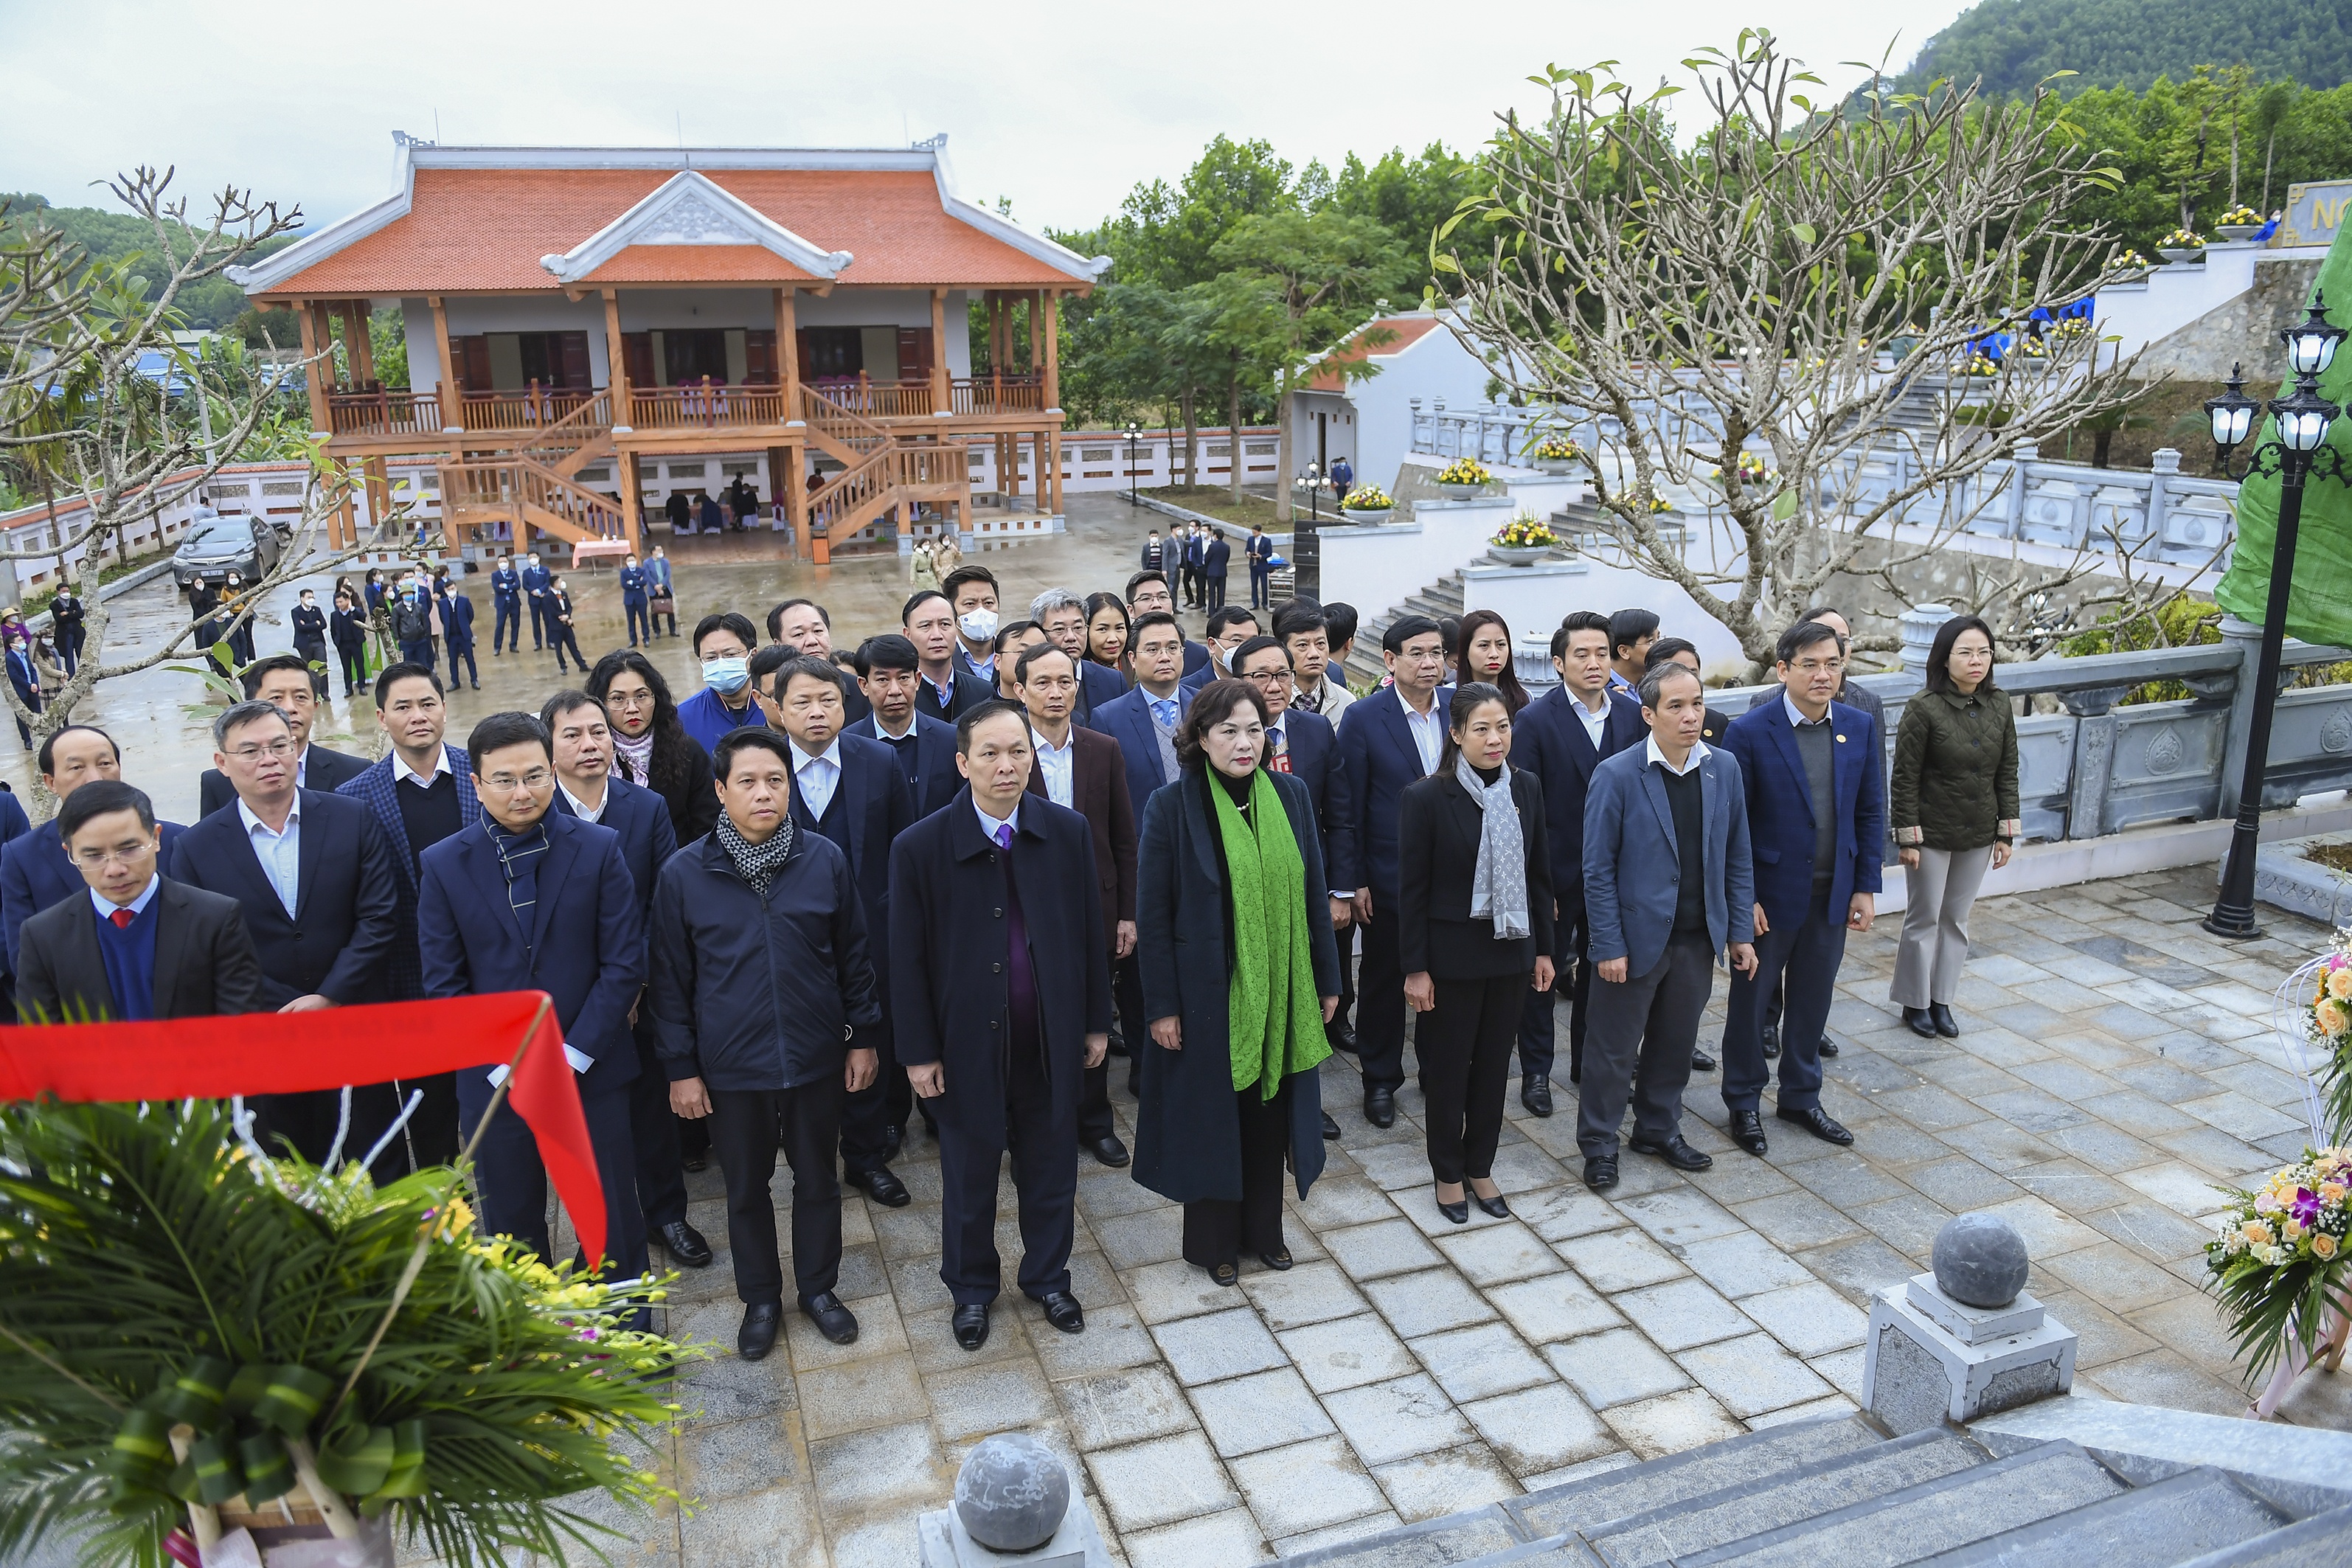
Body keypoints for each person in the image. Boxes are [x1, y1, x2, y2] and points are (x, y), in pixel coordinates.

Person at [651, 726, 881, 1356]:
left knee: (818, 1181)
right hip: (731, 1067)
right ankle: (758, 1298)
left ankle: (817, 1289)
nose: (763, 794)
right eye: (747, 782)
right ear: (721, 790)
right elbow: (669, 981)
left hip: (813, 1056)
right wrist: (681, 1068)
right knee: (746, 1190)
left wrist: (861, 1039)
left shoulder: (822, 859)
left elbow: (853, 958)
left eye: (775, 781)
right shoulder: (683, 874)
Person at [889, 702, 1111, 1350]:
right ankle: (970, 1289)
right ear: (962, 763)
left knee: (1050, 1168)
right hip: (964, 1045)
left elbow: (1088, 938)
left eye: (1017, 751)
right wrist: (918, 1052)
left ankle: (1048, 1277)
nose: (1005, 765)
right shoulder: (920, 847)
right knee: (968, 1176)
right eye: (989, 753)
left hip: (1049, 1037)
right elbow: (905, 959)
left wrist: (1096, 1022)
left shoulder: (1065, 832)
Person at [417, 711, 650, 1293]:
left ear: (552, 771)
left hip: (588, 1068)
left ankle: (631, 1326)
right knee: (510, 1217)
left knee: (609, 1210)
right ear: (476, 783)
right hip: (494, 1080)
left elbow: (623, 964)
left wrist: (568, 1059)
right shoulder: (444, 864)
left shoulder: (598, 848)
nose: (521, 793)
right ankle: (533, 1340)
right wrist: (507, 1066)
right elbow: (444, 985)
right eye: (504, 780)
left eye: (533, 776)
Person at [1134, 679, 1339, 1285]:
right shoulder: (1172, 806)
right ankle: (1214, 1244)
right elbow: (1153, 915)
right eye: (1228, 731)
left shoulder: (1291, 795)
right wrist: (1162, 1007)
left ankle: (1264, 1232)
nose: (1243, 743)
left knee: (1269, 1112)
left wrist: (1326, 980)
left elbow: (1310, 894)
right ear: (1200, 737)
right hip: (1206, 996)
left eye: (1254, 729)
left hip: (1283, 985)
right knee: (1214, 1117)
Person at [169, 699, 403, 1168]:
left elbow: (380, 917)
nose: (270, 759)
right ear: (222, 763)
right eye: (251, 751)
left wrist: (330, 995)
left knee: (377, 1165)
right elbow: (200, 948)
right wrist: (280, 1007)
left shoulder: (352, 818)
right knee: (287, 1173)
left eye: (280, 745)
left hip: (355, 1023)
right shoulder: (194, 848)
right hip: (263, 1037)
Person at [539, 689, 705, 1272]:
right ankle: (601, 1228)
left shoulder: (644, 806)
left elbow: (662, 899)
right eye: (573, 735)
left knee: (649, 1108)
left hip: (640, 991)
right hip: (571, 1000)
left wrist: (632, 983)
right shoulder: (539, 814)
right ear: (549, 748)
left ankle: (667, 1213)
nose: (589, 745)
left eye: (597, 732)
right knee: (585, 1121)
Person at [1578, 661, 1757, 1193]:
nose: (1689, 715)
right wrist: (1608, 943)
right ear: (1648, 713)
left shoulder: (1722, 767)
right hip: (1631, 944)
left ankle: (1657, 1129)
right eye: (1675, 706)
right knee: (1612, 1052)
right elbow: (1596, 868)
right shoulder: (1616, 774)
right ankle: (1599, 1144)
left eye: (1696, 703)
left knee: (1675, 1044)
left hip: (1696, 938)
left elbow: (1737, 854)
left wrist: (1739, 931)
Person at [1718, 619, 1883, 1157]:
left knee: (1812, 1001)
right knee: (1751, 1002)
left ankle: (1800, 1096)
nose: (1822, 674)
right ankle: (1742, 1100)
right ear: (1782, 669)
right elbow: (1733, 824)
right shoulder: (1750, 731)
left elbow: (1867, 810)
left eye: (1832, 664)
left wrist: (1864, 886)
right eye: (1809, 664)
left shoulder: (1857, 726)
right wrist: (1744, 899)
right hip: (1769, 896)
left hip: (1831, 893)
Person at [760, 653, 917, 1204]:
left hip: (869, 934)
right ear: (778, 710)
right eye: (801, 702)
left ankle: (866, 1157)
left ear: (846, 700)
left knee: (867, 1042)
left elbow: (903, 849)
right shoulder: (761, 767)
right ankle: (809, 1162)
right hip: (789, 941)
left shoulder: (876, 760)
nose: (817, 712)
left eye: (828, 700)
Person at [1398, 682, 1555, 1221]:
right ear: (1457, 733)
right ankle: (1446, 1171)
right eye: (1482, 729)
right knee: (1447, 1069)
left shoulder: (1525, 788)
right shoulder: (1424, 797)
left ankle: (1480, 1165)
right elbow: (1411, 892)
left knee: (1493, 1067)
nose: (1495, 739)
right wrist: (1414, 969)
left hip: (1510, 953)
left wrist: (1543, 952)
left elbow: (1539, 876)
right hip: (1449, 959)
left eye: (1503, 727)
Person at [336, 665, 480, 1165]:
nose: (417, 716)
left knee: (497, 1113)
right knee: (432, 1117)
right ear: (381, 717)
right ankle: (445, 1223)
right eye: (402, 707)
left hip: (488, 975)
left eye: (427, 704)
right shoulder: (352, 800)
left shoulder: (484, 777)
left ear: (444, 708)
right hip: (408, 982)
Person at [1512, 613, 1643, 1105]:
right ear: (1558, 662)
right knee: (1541, 976)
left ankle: (1591, 1062)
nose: (1593, 664)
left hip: (1615, 874)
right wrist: (1533, 885)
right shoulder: (1534, 721)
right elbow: (1522, 810)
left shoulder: (1632, 716)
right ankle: (1536, 1073)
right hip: (1555, 874)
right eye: (1581, 654)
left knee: (1603, 972)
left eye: (1601, 654)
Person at [1016, 641, 1138, 1168]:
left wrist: (1127, 912)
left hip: (1095, 906)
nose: (1055, 692)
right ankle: (1033, 1128)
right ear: (1018, 690)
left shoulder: (1100, 748)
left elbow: (1123, 838)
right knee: (1029, 1017)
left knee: (1092, 1013)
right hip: (1025, 910)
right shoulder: (1007, 751)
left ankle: (1094, 1120)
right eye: (1041, 683)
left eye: (1064, 681)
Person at [1331, 616, 1451, 1129]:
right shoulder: (1363, 718)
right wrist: (1353, 879)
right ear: (1389, 660)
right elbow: (1346, 806)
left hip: (1453, 875)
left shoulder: (1461, 710)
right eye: (1418, 654)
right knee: (1383, 981)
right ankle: (1379, 1079)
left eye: (1437, 653)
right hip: (1386, 876)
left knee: (1444, 978)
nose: (1430, 664)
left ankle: (1436, 1069)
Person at [16, 780, 262, 1024]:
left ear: (156, 838)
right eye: (94, 856)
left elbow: (239, 1029)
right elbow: (39, 1046)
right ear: (70, 853)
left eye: (129, 849)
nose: (114, 869)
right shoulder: (43, 937)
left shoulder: (215, 919)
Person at [1890, 613, 2016, 1041]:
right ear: (1945, 659)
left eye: (1983, 652)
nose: (1975, 660)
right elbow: (1904, 776)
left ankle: (1942, 1000)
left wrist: (2005, 831)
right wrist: (1907, 835)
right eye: (1965, 652)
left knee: (1956, 920)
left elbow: (2007, 770)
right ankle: (1915, 1002)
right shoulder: (1924, 708)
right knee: (1924, 917)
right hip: (1930, 835)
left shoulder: (1999, 704)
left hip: (1979, 830)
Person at [2, 727, 184, 982]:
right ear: (50, 782)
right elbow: (25, 961)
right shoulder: (21, 857)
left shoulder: (177, 840)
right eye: (77, 768)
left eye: (105, 764)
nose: (95, 777)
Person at [196, 654, 369, 816]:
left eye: (301, 697)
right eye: (276, 698)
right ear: (252, 705)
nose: (289, 708)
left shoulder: (355, 773)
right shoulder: (218, 783)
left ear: (315, 707)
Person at [587, 650, 721, 846]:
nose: (632, 708)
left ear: (655, 698)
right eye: (618, 699)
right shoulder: (590, 756)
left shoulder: (686, 752)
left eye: (641, 696)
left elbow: (707, 826)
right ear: (600, 703)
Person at [853, 635, 962, 819]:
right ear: (864, 685)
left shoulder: (951, 740)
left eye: (904, 678)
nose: (895, 690)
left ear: (917, 680)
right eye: (882, 680)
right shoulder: (849, 745)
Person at [769, 598, 873, 724]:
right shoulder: (770, 696)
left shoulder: (862, 692)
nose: (812, 641)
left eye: (818, 631)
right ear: (778, 644)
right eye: (799, 634)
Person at [903, 591, 993, 721]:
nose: (937, 635)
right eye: (925, 626)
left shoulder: (983, 692)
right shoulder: (898, 696)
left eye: (945, 624)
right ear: (908, 635)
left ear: (956, 629)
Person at [678, 613, 761, 753]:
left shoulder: (776, 706)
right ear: (701, 662)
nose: (721, 663)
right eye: (711, 657)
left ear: (752, 656)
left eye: (730, 655)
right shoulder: (683, 717)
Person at [1644, 638, 1735, 749]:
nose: (1691, 718)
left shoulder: (1717, 722)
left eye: (1692, 673)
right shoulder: (1633, 724)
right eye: (1676, 707)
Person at [1277, 603, 1353, 724]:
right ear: (1283, 650)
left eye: (1320, 644)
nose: (1314, 654)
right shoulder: (1272, 702)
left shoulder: (1346, 703)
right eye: (1303, 645)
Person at [1125, 570, 1211, 676]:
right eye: (1146, 598)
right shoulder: (1118, 653)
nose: (1156, 604)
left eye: (1163, 597)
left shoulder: (1197, 655)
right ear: (1131, 610)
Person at [1456, 610, 1532, 715]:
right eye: (1484, 645)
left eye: (1500, 645)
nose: (1494, 654)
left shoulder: (1524, 697)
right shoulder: (1448, 697)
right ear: (1466, 650)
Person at [943, 566, 1002, 688]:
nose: (981, 611)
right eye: (970, 604)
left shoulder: (1014, 656)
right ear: (951, 610)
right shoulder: (941, 662)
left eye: (988, 603)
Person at [1183, 606, 1260, 693]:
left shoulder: (1266, 684)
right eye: (1237, 640)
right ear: (1212, 645)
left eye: (1252, 641)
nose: (1246, 648)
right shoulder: (1187, 690)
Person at [4, 625, 42, 749]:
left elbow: (32, 670)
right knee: (22, 717)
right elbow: (14, 676)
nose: (23, 642)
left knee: (37, 713)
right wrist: (29, 686)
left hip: (33, 689)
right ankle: (27, 740)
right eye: (19, 641)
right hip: (21, 691)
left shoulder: (25, 655)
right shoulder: (9, 659)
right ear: (12, 645)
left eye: (22, 640)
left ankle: (39, 736)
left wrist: (35, 684)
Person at [437, 578, 479, 690]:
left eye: (453, 589)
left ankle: (474, 680)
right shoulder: (442, 603)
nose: (451, 591)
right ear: (445, 591)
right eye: (449, 589)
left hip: (464, 635)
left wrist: (465, 625)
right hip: (451, 636)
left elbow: (471, 615)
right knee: (453, 660)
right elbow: (443, 618)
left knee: (469, 658)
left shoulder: (464, 601)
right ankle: (455, 682)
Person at [1607, 608, 1659, 697]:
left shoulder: (1653, 687)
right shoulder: (1600, 692)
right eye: (1650, 641)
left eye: (1659, 638)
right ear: (1624, 652)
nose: (1660, 646)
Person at [1083, 593, 1131, 684]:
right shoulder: (1076, 675)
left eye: (1119, 628)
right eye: (1103, 629)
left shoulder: (1139, 668)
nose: (1113, 639)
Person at [330, 589, 370, 698]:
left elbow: (363, 616)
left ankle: (361, 686)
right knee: (346, 667)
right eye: (337, 602)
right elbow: (333, 630)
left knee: (359, 665)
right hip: (343, 645)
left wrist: (352, 608)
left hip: (355, 643)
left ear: (347, 600)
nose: (339, 604)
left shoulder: (355, 612)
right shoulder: (334, 615)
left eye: (341, 602)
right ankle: (348, 689)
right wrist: (336, 642)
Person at [545, 575, 588, 674]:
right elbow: (551, 611)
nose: (561, 583)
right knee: (559, 649)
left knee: (573, 646)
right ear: (555, 584)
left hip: (567, 625)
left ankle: (582, 665)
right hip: (556, 627)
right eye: (559, 582)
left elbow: (569, 607)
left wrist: (568, 616)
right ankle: (563, 667)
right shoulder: (548, 597)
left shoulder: (564, 594)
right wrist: (561, 616)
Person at [389, 578, 435, 670]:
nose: (408, 595)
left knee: (423, 664)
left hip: (420, 640)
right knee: (409, 666)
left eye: (410, 593)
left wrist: (425, 635)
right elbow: (394, 624)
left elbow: (424, 622)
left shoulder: (419, 607)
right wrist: (398, 639)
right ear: (402, 595)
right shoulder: (397, 609)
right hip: (406, 641)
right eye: (406, 594)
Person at [289, 587, 327, 694]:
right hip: (304, 645)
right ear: (302, 598)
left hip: (318, 642)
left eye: (312, 597)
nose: (312, 599)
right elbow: (300, 627)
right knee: (307, 669)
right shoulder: (296, 612)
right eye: (309, 597)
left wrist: (307, 625)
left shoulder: (317, 610)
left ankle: (324, 693)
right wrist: (316, 624)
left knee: (322, 666)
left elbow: (324, 624)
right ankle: (311, 692)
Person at [49, 580, 85, 676]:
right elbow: (59, 619)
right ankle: (71, 676)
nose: (66, 593)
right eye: (63, 591)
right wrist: (73, 614)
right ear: (58, 592)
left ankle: (84, 674)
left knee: (81, 654)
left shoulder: (74, 601)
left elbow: (80, 614)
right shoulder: (54, 605)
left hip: (77, 631)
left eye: (67, 591)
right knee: (68, 656)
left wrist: (67, 614)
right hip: (65, 633)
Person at [490, 552, 524, 655]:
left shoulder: (513, 573)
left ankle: (513, 645)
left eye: (505, 561)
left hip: (514, 603)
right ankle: (497, 647)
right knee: (500, 625)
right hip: (501, 604)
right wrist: (510, 587)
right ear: (498, 563)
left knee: (515, 625)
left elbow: (517, 585)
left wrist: (505, 586)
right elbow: (496, 588)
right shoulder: (495, 575)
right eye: (501, 562)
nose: (503, 563)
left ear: (508, 562)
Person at [517, 553, 552, 651]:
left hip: (545, 598)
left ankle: (550, 641)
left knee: (548, 620)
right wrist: (534, 591)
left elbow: (548, 582)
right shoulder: (526, 573)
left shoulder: (545, 570)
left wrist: (540, 591)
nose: (533, 559)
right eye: (530, 558)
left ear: (539, 558)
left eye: (534, 557)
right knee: (535, 622)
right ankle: (538, 643)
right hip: (533, 600)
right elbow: (525, 585)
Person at [620, 553, 651, 648]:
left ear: (636, 560)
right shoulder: (624, 573)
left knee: (644, 619)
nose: (631, 563)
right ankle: (633, 640)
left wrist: (632, 582)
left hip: (641, 599)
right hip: (629, 600)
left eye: (632, 560)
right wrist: (638, 584)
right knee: (631, 621)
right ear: (626, 562)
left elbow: (644, 582)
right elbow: (624, 585)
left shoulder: (641, 571)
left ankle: (646, 638)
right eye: (629, 561)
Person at [645, 545, 677, 637]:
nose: (661, 552)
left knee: (670, 610)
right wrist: (656, 586)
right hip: (653, 589)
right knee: (655, 611)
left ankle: (672, 630)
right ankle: (657, 632)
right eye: (658, 550)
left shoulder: (665, 561)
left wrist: (662, 585)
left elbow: (668, 574)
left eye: (661, 550)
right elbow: (648, 575)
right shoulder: (647, 563)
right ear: (653, 552)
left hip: (665, 587)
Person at [1201, 528, 1232, 611]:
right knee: (1221, 593)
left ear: (1215, 536)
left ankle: (1211, 611)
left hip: (1212, 572)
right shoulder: (1227, 546)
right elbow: (1226, 558)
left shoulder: (1212, 546)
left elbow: (1207, 558)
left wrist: (1208, 566)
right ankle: (1220, 610)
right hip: (1222, 572)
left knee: (1212, 593)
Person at [1245, 524, 1274, 608]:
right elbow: (1247, 549)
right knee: (1254, 585)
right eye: (1253, 532)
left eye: (1255, 532)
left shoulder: (1266, 541)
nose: (1254, 534)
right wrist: (1248, 553)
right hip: (1253, 566)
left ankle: (1264, 602)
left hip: (1262, 566)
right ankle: (1255, 602)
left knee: (1264, 585)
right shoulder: (1250, 539)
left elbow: (1269, 553)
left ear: (1259, 532)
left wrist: (1261, 556)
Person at [1180, 524, 1205, 609]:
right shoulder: (1188, 536)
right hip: (1189, 562)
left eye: (1192, 526)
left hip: (1197, 564)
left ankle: (1200, 602)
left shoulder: (1201, 537)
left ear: (1197, 528)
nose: (1190, 527)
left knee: (1199, 583)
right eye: (1189, 525)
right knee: (1185, 581)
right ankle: (1190, 598)